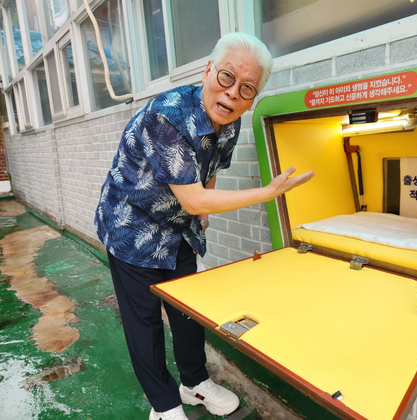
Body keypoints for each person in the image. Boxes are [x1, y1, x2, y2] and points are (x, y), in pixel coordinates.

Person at [94, 32, 314, 420]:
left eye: (247, 89)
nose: (232, 94)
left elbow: (209, 172)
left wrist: (203, 216)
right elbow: (193, 197)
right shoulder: (169, 116)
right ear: (208, 70)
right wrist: (265, 193)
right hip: (132, 227)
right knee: (144, 321)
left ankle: (194, 383)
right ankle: (163, 406)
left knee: (188, 311)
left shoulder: (231, 122)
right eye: (227, 77)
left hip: (178, 228)